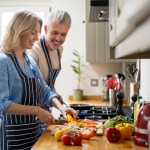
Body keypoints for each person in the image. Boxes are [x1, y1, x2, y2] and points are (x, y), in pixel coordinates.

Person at [0, 10, 77, 150]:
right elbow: (2, 104)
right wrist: (37, 110)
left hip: (33, 132)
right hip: (12, 135)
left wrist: (62, 108)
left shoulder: (29, 61)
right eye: (33, 32)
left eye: (38, 32)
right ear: (19, 30)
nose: (37, 37)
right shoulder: (3, 61)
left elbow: (45, 91)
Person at [26, 10, 71, 101]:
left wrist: (54, 93)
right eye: (55, 33)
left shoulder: (59, 50)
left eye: (63, 34)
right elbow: (29, 85)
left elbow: (48, 81)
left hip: (46, 103)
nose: (58, 38)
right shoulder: (33, 49)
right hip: (31, 106)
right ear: (45, 29)